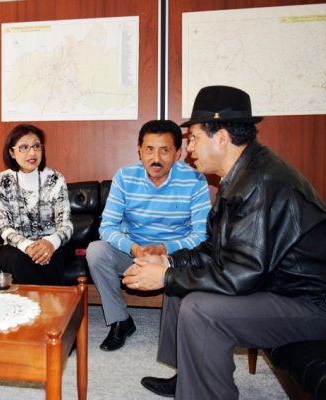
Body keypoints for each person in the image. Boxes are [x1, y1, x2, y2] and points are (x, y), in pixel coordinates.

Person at [125, 86, 326, 399]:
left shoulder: (260, 183)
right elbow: (212, 247)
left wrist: (165, 276)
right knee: (182, 288)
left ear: (220, 138)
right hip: (279, 288)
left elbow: (241, 274)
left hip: (311, 306)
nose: (188, 149)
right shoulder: (242, 174)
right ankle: (188, 379)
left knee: (200, 310)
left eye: (193, 138)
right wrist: (169, 263)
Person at [86, 120, 211, 351]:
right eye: (150, 149)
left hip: (173, 257)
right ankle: (120, 321)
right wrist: (133, 247)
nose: (156, 158)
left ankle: (187, 331)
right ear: (140, 151)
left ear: (178, 153)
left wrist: (164, 249)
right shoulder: (124, 177)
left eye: (165, 150)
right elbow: (107, 227)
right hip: (134, 253)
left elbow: (202, 235)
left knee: (199, 260)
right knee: (96, 250)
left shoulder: (195, 180)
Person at [0, 124, 73, 286]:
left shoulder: (55, 179)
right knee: (18, 258)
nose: (32, 152)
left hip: (53, 242)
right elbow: (5, 228)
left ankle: (53, 309)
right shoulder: (2, 181)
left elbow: (66, 226)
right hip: (16, 246)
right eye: (23, 147)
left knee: (52, 256)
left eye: (36, 146)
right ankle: (37, 309)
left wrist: (50, 243)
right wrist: (28, 246)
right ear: (11, 152)